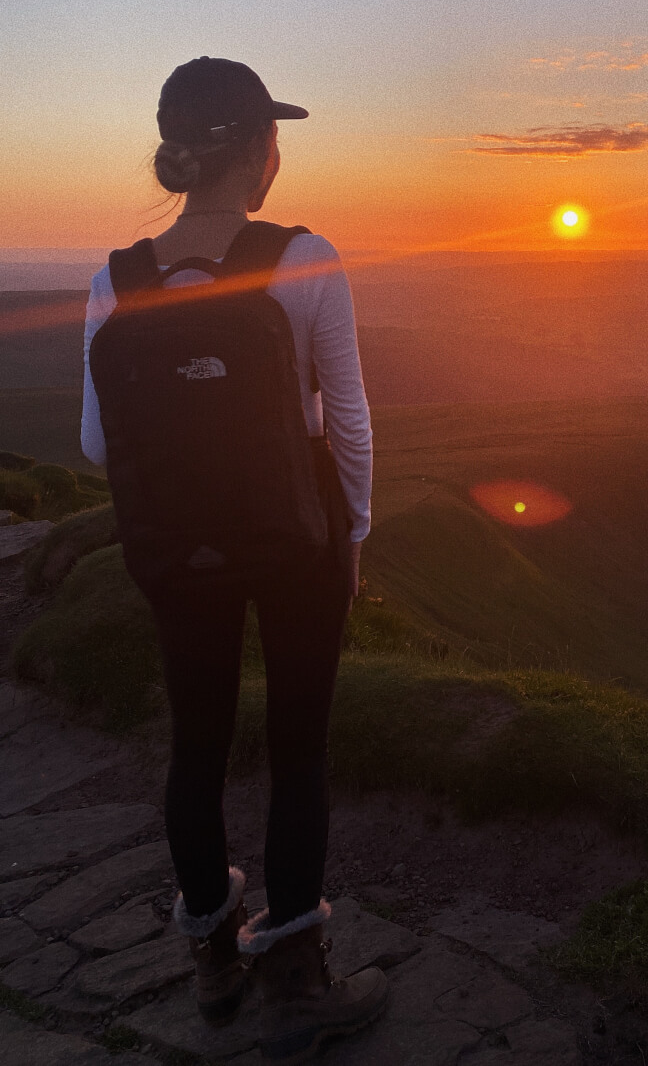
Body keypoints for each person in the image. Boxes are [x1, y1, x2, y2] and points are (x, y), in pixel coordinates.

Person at [80, 57, 388, 1063]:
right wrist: (352, 536)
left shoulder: (114, 278)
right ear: (260, 150)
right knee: (298, 747)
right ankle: (296, 975)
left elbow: (95, 444)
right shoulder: (305, 256)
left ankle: (212, 956)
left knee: (197, 743)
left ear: (175, 154)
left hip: (179, 545)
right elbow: (350, 420)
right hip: (295, 535)